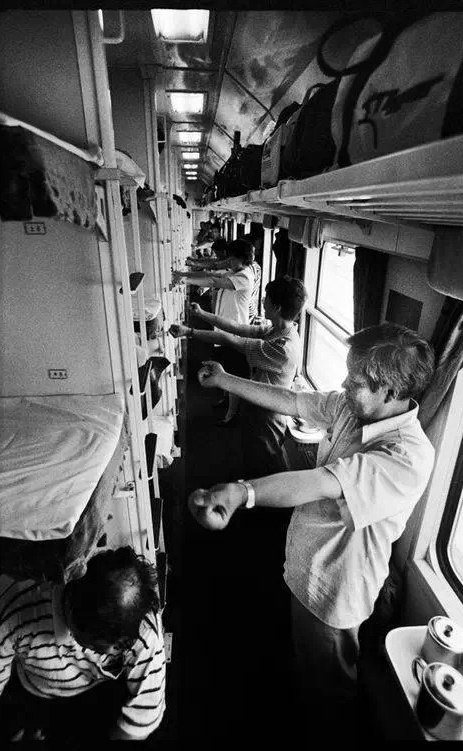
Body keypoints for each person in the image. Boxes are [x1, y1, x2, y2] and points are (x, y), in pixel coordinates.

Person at [187, 323, 435, 739]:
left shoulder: (407, 455)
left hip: (334, 591)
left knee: (329, 697)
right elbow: (291, 400)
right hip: (305, 568)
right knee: (305, 672)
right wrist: (226, 380)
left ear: (390, 392)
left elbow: (322, 482)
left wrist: (242, 493)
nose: (344, 384)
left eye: (355, 380)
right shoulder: (351, 408)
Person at [0, 546, 166, 743]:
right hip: (32, 691)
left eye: (125, 643)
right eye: (108, 643)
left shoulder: (142, 626)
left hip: (96, 698)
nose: (121, 650)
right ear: (73, 618)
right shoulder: (13, 611)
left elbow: (142, 719)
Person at [169, 275, 307, 477]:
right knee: (253, 459)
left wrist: (190, 332)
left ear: (277, 307)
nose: (262, 301)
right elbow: (237, 328)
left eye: (267, 298)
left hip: (267, 415)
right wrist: (202, 314)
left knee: (266, 466)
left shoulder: (283, 348)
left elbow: (232, 340)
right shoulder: (277, 330)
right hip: (257, 406)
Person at [172, 238, 254, 424]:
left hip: (235, 333)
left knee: (232, 373)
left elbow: (214, 280)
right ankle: (226, 400)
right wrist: (183, 273)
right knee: (224, 365)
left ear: (241, 259)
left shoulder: (243, 277)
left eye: (232, 258)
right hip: (224, 329)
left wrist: (184, 279)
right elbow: (211, 272)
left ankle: (231, 416)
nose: (229, 261)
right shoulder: (235, 271)